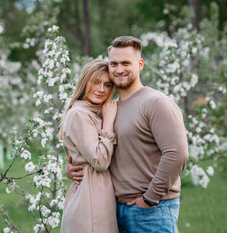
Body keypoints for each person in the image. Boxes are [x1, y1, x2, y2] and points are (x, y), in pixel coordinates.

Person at [65, 36, 189, 233]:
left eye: (125, 63)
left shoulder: (155, 102)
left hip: (151, 211)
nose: (119, 69)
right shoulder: (109, 108)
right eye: (113, 63)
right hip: (115, 209)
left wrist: (149, 198)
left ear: (140, 64)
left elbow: (177, 154)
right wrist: (74, 167)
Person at [59, 59, 118, 233]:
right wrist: (108, 123)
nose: (101, 89)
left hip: (98, 193)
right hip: (91, 199)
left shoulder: (97, 111)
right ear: (85, 83)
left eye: (107, 84)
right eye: (96, 82)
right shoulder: (79, 113)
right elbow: (99, 160)